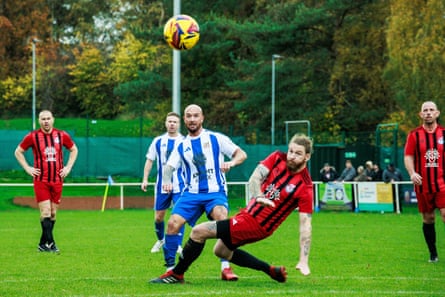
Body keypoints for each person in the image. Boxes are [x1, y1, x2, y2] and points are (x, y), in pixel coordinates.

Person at [150, 133, 313, 284]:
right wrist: (258, 196)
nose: (291, 156)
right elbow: (256, 177)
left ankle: (176, 274)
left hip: (258, 225)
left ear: (307, 156)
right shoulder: (278, 157)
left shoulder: (305, 186)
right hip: (247, 216)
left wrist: (304, 260)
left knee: (199, 232)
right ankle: (270, 270)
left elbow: (305, 225)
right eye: (290, 151)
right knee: (221, 251)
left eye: (297, 153)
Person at [158, 104, 247, 281]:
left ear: (202, 118)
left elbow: (241, 154)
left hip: (215, 192)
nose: (192, 119)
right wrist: (166, 181)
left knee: (222, 219)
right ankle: (172, 270)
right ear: (184, 119)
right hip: (191, 193)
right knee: (172, 224)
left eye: (195, 116)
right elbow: (168, 167)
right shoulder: (181, 145)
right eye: (188, 116)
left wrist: (231, 163)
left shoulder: (216, 138)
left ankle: (225, 268)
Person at [14, 110, 78, 253]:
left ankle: (43, 244)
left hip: (57, 180)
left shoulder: (61, 135)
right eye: (43, 119)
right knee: (45, 212)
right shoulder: (33, 136)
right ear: (39, 121)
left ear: (53, 120)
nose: (46, 121)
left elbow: (74, 149)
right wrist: (27, 168)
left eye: (48, 118)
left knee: (53, 213)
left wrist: (68, 167)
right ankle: (52, 243)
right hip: (41, 180)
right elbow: (18, 151)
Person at [404, 101, 445, 263]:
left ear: (437, 113)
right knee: (429, 219)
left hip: (442, 184)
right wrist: (412, 173)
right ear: (421, 115)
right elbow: (408, 156)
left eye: (431, 110)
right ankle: (433, 254)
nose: (428, 113)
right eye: (425, 110)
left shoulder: (444, 133)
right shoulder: (414, 135)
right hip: (423, 185)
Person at [141, 112, 185, 254]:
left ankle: (177, 244)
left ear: (179, 124)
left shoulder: (185, 141)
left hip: (180, 185)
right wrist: (145, 179)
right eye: (169, 121)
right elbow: (150, 160)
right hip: (161, 185)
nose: (172, 124)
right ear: (166, 123)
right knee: (158, 217)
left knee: (179, 215)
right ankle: (161, 240)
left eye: (175, 122)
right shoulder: (158, 141)